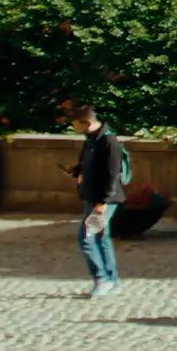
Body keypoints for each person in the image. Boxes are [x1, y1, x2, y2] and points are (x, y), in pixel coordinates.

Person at [65, 103, 125, 298]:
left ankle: (102, 279)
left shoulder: (109, 141)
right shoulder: (91, 140)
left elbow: (112, 174)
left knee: (86, 239)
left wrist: (103, 202)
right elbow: (86, 163)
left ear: (87, 122)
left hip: (103, 200)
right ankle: (112, 281)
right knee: (101, 238)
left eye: (76, 124)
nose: (75, 128)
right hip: (92, 196)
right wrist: (77, 170)